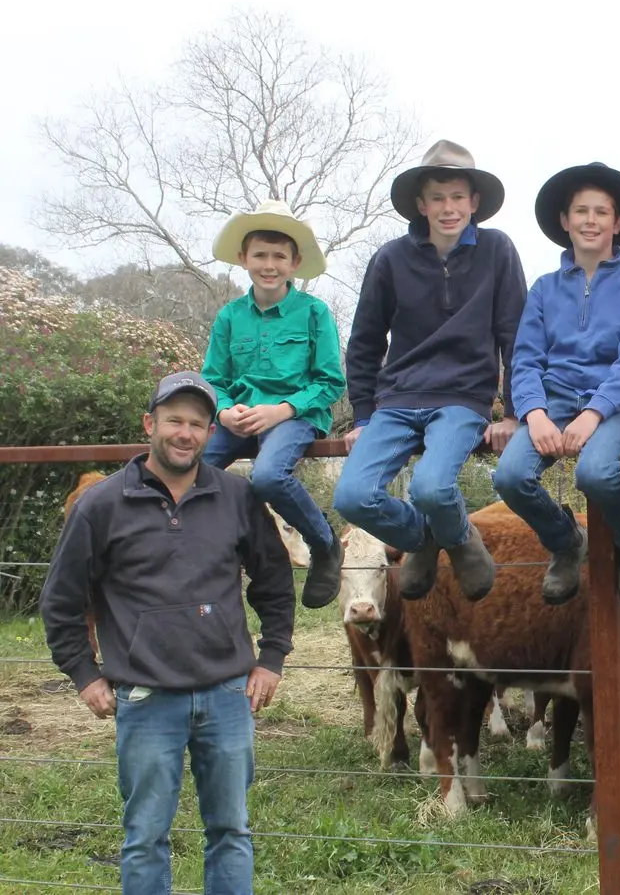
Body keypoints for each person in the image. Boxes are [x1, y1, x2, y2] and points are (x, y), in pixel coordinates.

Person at [39, 371, 295, 895]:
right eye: (174, 420)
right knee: (145, 835)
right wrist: (85, 675)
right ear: (149, 424)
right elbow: (60, 601)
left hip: (227, 694)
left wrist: (271, 658)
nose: (186, 433)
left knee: (230, 830)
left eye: (197, 424)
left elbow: (274, 581)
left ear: (208, 433)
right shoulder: (101, 505)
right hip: (145, 695)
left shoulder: (236, 497)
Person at [332, 140, 527, 601]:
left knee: (432, 488)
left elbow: (515, 337)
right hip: (396, 401)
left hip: (462, 399)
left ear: (474, 202)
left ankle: (456, 538)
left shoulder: (497, 251)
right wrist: (363, 415)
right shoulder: (390, 259)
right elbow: (364, 341)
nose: (448, 208)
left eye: (458, 197)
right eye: (437, 198)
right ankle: (429, 538)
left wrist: (514, 412)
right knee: (352, 496)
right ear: (421, 204)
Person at [492, 162, 620, 604]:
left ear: (617, 223)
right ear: (565, 221)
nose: (591, 220)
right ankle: (566, 542)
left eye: (601, 212)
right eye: (581, 211)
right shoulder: (545, 289)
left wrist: (594, 414)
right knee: (510, 476)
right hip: (554, 400)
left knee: (597, 472)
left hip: (619, 403)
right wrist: (534, 413)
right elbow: (525, 358)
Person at [201, 199, 347, 609]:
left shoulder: (314, 313)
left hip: (294, 415)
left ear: (294, 261)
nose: (270, 264)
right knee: (193, 473)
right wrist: (225, 410)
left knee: (267, 476)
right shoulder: (230, 316)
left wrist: (281, 409)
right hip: (239, 416)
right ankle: (221, 556)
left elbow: (330, 381)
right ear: (244, 258)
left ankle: (324, 544)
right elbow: (213, 379)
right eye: (260, 255)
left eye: (279, 256)